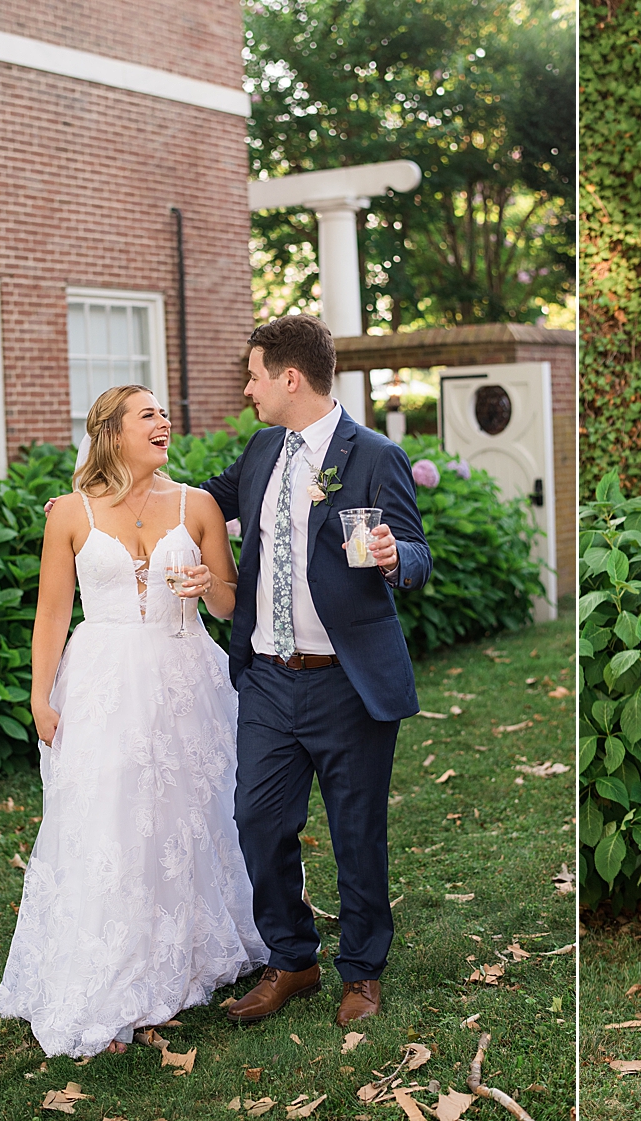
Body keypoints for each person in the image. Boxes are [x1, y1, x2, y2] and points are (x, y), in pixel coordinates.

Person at [0, 385, 266, 1058]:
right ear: (111, 433)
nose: (164, 422)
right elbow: (53, 615)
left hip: (185, 675)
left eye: (164, 414)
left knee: (189, 815)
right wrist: (40, 697)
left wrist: (211, 586)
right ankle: (112, 961)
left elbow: (234, 602)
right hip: (103, 682)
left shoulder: (197, 504)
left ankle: (183, 954)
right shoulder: (69, 513)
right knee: (110, 816)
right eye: (148, 414)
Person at [198, 315, 430, 1028]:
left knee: (356, 831)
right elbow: (203, 500)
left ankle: (361, 969)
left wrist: (394, 558)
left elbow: (419, 555)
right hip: (268, 676)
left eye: (255, 374)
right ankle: (291, 956)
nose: (248, 388)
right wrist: (102, 502)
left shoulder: (373, 455)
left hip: (345, 680)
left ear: (290, 378)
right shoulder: (264, 447)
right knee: (256, 819)